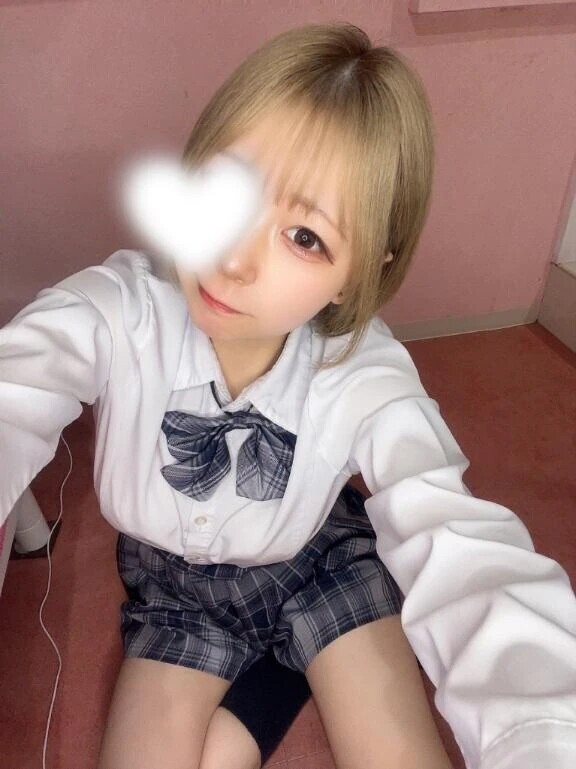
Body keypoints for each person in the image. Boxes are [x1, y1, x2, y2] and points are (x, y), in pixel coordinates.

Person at [1, 21, 575, 769]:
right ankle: (280, 678)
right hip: (174, 592)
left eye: (305, 237)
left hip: (320, 562)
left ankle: (293, 665)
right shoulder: (117, 309)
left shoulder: (363, 369)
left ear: (360, 269)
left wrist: (546, 737)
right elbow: (16, 385)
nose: (233, 258)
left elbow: (461, 543)